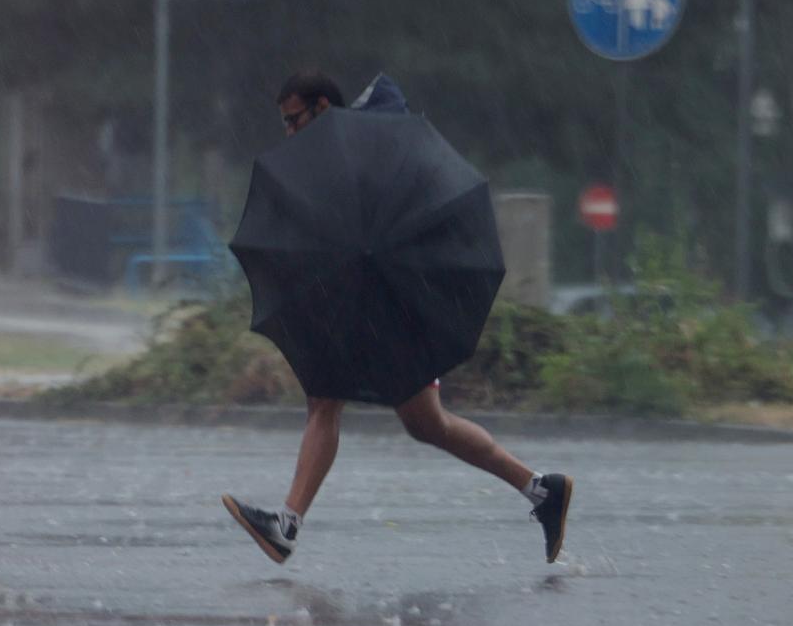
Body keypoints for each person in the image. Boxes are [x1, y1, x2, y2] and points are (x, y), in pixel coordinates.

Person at [221, 70, 572, 566]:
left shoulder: (363, 149)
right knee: (424, 424)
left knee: (326, 401)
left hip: (398, 297)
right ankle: (542, 490)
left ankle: (287, 525)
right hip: (373, 298)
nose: (289, 133)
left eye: (294, 120)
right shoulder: (329, 161)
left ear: (323, 108)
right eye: (284, 124)